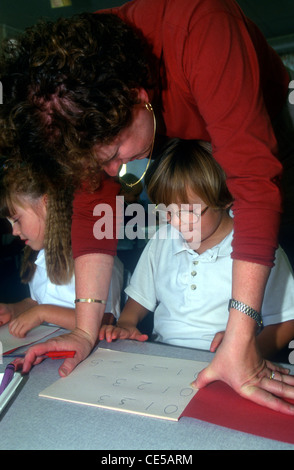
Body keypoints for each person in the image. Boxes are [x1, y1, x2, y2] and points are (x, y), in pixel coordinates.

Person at [1, 0, 294, 413]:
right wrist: (86, 331)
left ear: (137, 96)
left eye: (114, 154)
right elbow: (94, 205)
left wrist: (241, 339)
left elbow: (255, 183)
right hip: (160, 121)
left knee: (271, 236)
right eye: (99, 164)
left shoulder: (200, 26)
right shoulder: (72, 95)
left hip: (262, 118)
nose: (113, 172)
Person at [100, 139, 294, 361]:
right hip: (163, 356)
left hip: (230, 362)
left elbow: (287, 321)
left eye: (189, 212)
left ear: (225, 198)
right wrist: (126, 324)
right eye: (168, 212)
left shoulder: (259, 249)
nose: (176, 223)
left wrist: (249, 350)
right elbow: (140, 297)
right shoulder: (163, 240)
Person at [0, 158, 123, 337]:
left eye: (17, 220)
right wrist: (14, 309)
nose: (14, 231)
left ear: (46, 203)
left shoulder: (93, 259)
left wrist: (43, 313)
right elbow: (37, 302)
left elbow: (105, 321)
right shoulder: (39, 256)